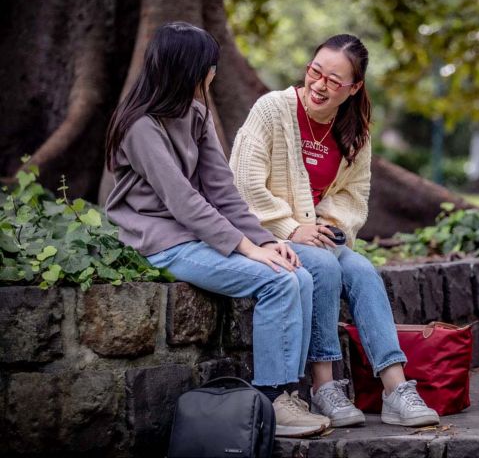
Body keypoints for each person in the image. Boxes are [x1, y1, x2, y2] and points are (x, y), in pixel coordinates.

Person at [104, 22, 331, 438]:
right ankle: (271, 401)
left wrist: (266, 242)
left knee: (297, 274)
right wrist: (246, 248)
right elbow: (182, 201)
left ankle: (287, 396)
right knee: (278, 283)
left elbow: (222, 191)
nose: (214, 73)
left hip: (197, 233)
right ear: (189, 70)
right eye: (210, 66)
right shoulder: (140, 125)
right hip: (161, 240)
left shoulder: (197, 112)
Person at [230, 34, 440, 427]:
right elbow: (242, 182)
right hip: (266, 233)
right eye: (315, 72)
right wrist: (293, 227)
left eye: (334, 80)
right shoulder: (273, 109)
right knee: (324, 267)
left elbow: (353, 196)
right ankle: (324, 387)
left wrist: (326, 225)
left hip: (318, 237)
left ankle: (396, 389)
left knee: (360, 269)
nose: (319, 85)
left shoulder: (356, 130)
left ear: (354, 88)